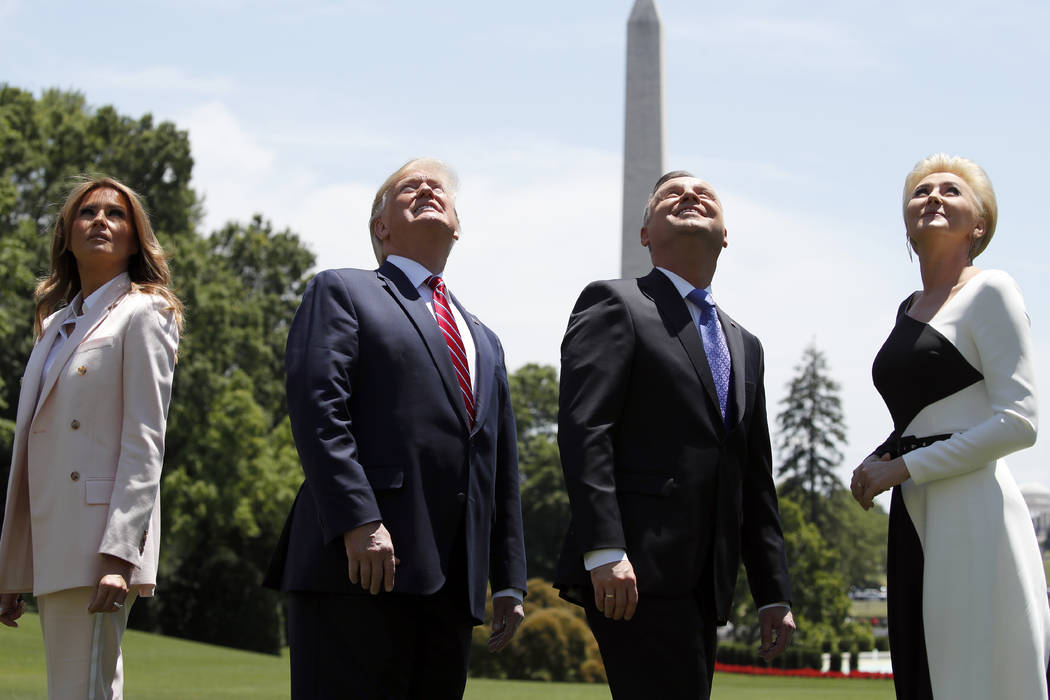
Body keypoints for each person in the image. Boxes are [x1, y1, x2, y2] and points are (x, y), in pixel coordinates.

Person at [264, 157, 527, 699]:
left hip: (452, 585)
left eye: (440, 188)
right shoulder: (342, 290)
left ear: (457, 225)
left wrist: (510, 578)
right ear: (380, 226)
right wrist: (359, 519)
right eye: (408, 186)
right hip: (355, 568)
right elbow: (319, 410)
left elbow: (499, 466)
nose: (429, 188)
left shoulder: (485, 338)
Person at [555, 170, 794, 699]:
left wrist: (773, 592)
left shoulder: (745, 343)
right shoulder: (614, 304)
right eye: (670, 196)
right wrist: (604, 548)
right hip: (632, 571)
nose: (689, 196)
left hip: (705, 583)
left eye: (704, 193)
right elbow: (584, 430)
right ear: (644, 235)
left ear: (725, 235)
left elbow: (754, 477)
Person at [851, 154, 1050, 699]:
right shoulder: (907, 309)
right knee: (925, 676)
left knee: (974, 676)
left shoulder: (993, 290)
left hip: (973, 512)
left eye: (951, 191)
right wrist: (881, 458)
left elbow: (1019, 422)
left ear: (979, 224)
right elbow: (924, 415)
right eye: (921, 192)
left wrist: (905, 466)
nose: (933, 197)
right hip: (916, 511)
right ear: (908, 223)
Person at [0, 176, 182, 699]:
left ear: (133, 238)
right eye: (87, 213)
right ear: (66, 235)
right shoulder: (56, 323)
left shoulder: (146, 311)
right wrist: (15, 565)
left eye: (116, 214)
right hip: (54, 537)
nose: (101, 220)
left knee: (86, 691)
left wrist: (120, 554)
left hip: (101, 542)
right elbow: (33, 451)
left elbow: (145, 440)